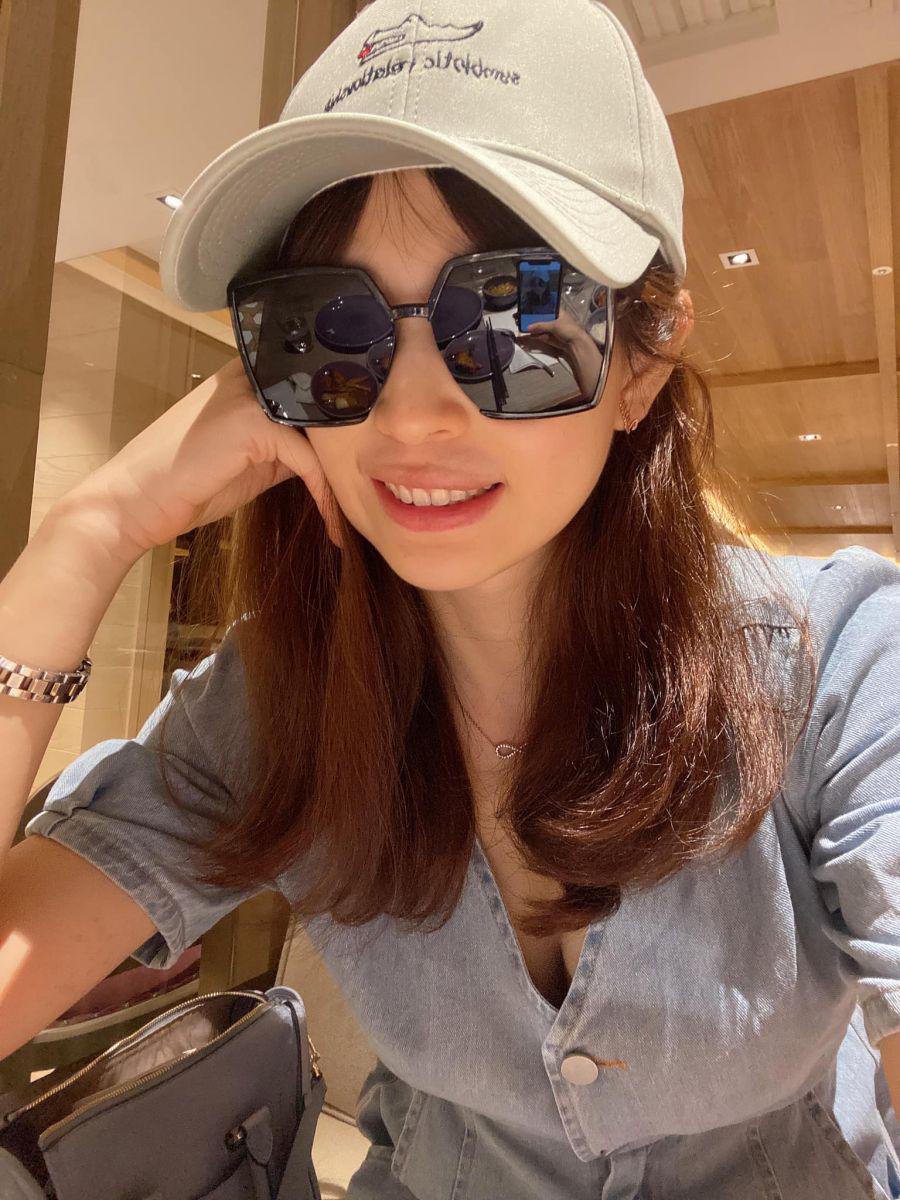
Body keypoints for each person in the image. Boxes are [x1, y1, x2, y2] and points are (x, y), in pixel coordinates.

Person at [2, 2, 900, 1197]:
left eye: (514, 315)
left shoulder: (836, 667)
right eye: (331, 327)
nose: (413, 415)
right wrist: (86, 534)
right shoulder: (279, 704)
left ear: (641, 362)